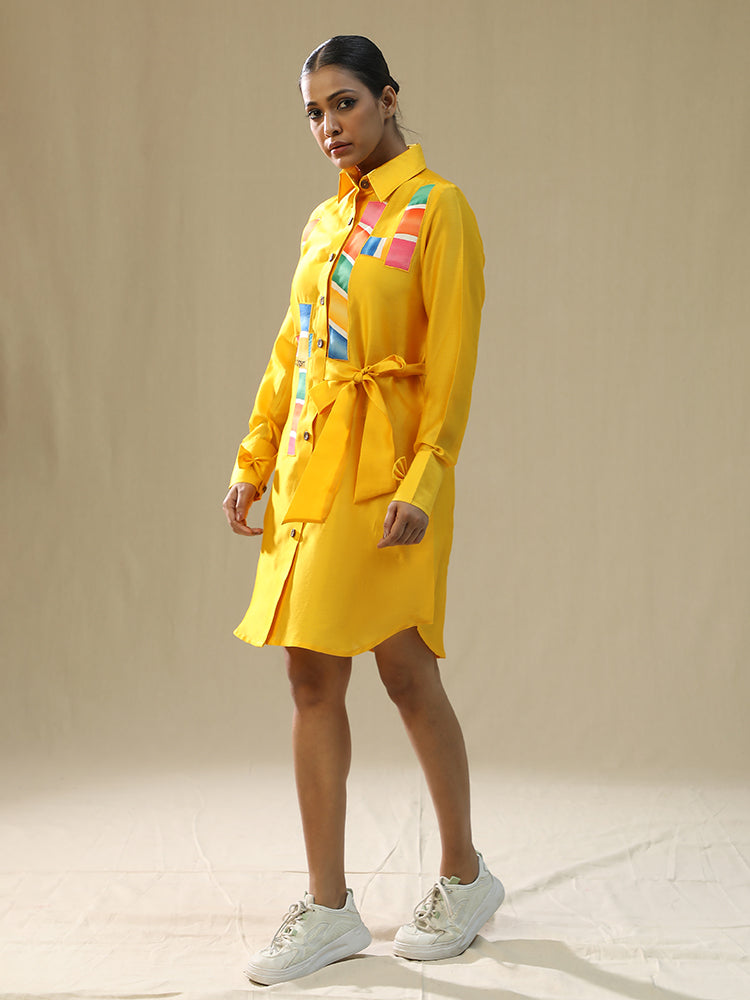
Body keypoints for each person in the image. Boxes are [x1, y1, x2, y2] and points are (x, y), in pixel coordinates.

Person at [222, 34, 504, 987]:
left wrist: (425, 484)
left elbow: (453, 363)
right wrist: (255, 459)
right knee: (309, 677)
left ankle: (464, 875)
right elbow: (291, 348)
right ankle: (330, 906)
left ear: (387, 97)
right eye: (314, 112)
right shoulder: (323, 221)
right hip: (311, 471)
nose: (328, 126)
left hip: (387, 477)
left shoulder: (438, 209)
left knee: (406, 673)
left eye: (343, 103)